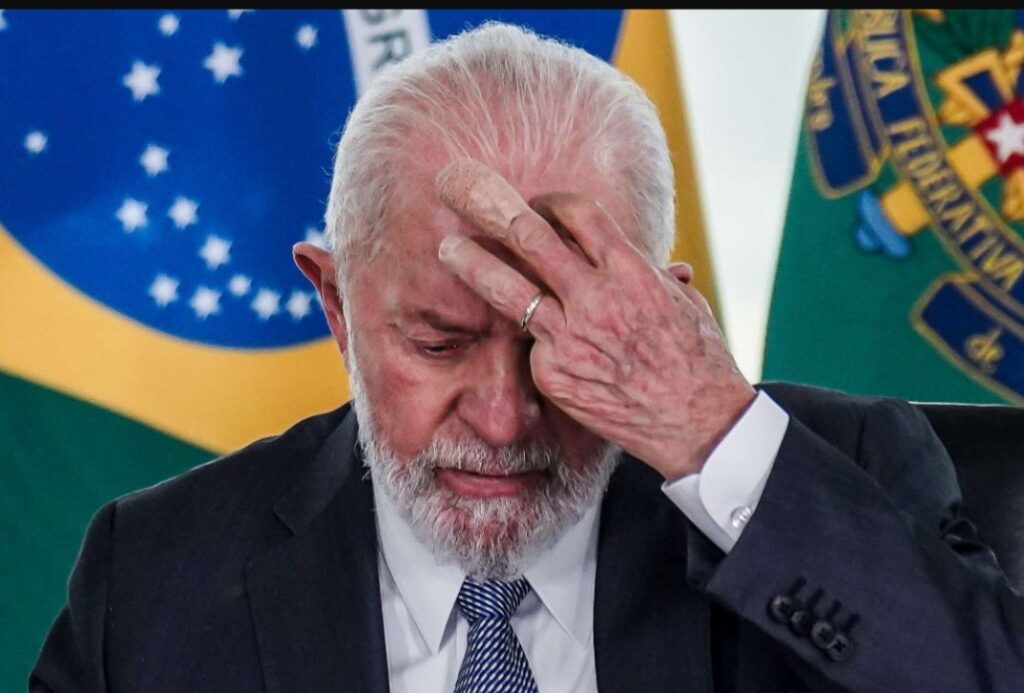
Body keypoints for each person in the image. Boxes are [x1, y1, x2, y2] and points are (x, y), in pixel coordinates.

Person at [31, 22, 1024, 693]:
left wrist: (711, 431)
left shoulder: (848, 471)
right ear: (335, 303)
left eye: (568, 341)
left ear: (663, 315)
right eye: (438, 342)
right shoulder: (154, 574)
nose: (505, 419)